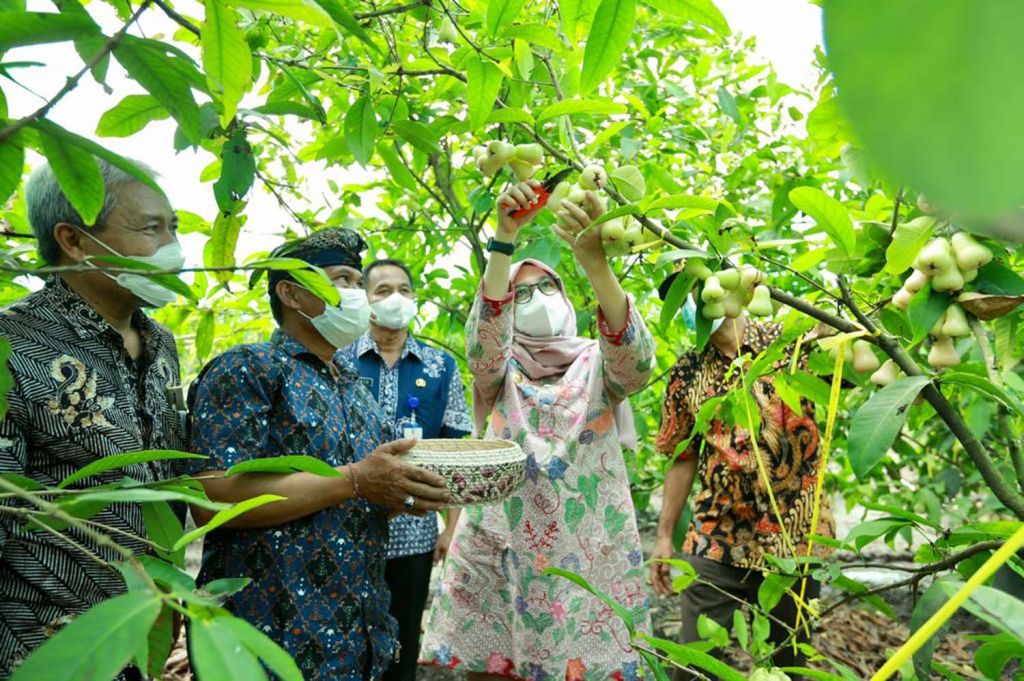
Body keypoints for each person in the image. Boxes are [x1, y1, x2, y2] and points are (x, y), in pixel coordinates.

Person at [184, 228, 451, 681]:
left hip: (355, 633)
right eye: (341, 279)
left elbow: (359, 497)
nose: (355, 295)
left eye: (355, 283)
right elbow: (212, 496)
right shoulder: (250, 368)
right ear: (290, 292)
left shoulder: (355, 390)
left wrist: (398, 494)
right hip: (269, 632)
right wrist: (354, 481)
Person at [421, 181, 655, 680]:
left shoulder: (596, 365)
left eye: (548, 287)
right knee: (496, 665)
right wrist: (504, 238)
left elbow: (636, 363)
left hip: (587, 550)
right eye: (521, 294)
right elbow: (483, 346)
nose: (538, 300)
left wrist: (596, 262)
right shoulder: (502, 374)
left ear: (568, 300)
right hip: (501, 546)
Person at [0, 160, 187, 678]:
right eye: (151, 228)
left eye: (173, 227)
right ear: (74, 240)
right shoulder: (12, 344)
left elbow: (166, 482)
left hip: (141, 626)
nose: (172, 247)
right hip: (44, 640)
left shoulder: (162, 344)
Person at [649, 287, 835, 679]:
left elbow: (849, 347)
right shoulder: (688, 372)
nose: (695, 304)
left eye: (700, 291)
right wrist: (664, 535)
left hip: (795, 534)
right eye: (682, 297)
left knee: (789, 660)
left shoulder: (790, 341)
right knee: (696, 662)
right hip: (717, 533)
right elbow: (681, 457)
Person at [340, 258, 473, 681]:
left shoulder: (439, 366)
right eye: (382, 290)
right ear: (364, 300)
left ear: (415, 298)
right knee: (343, 635)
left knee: (402, 639)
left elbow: (457, 447)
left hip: (415, 532)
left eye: (404, 289)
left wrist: (451, 529)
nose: (394, 298)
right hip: (345, 525)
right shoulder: (339, 360)